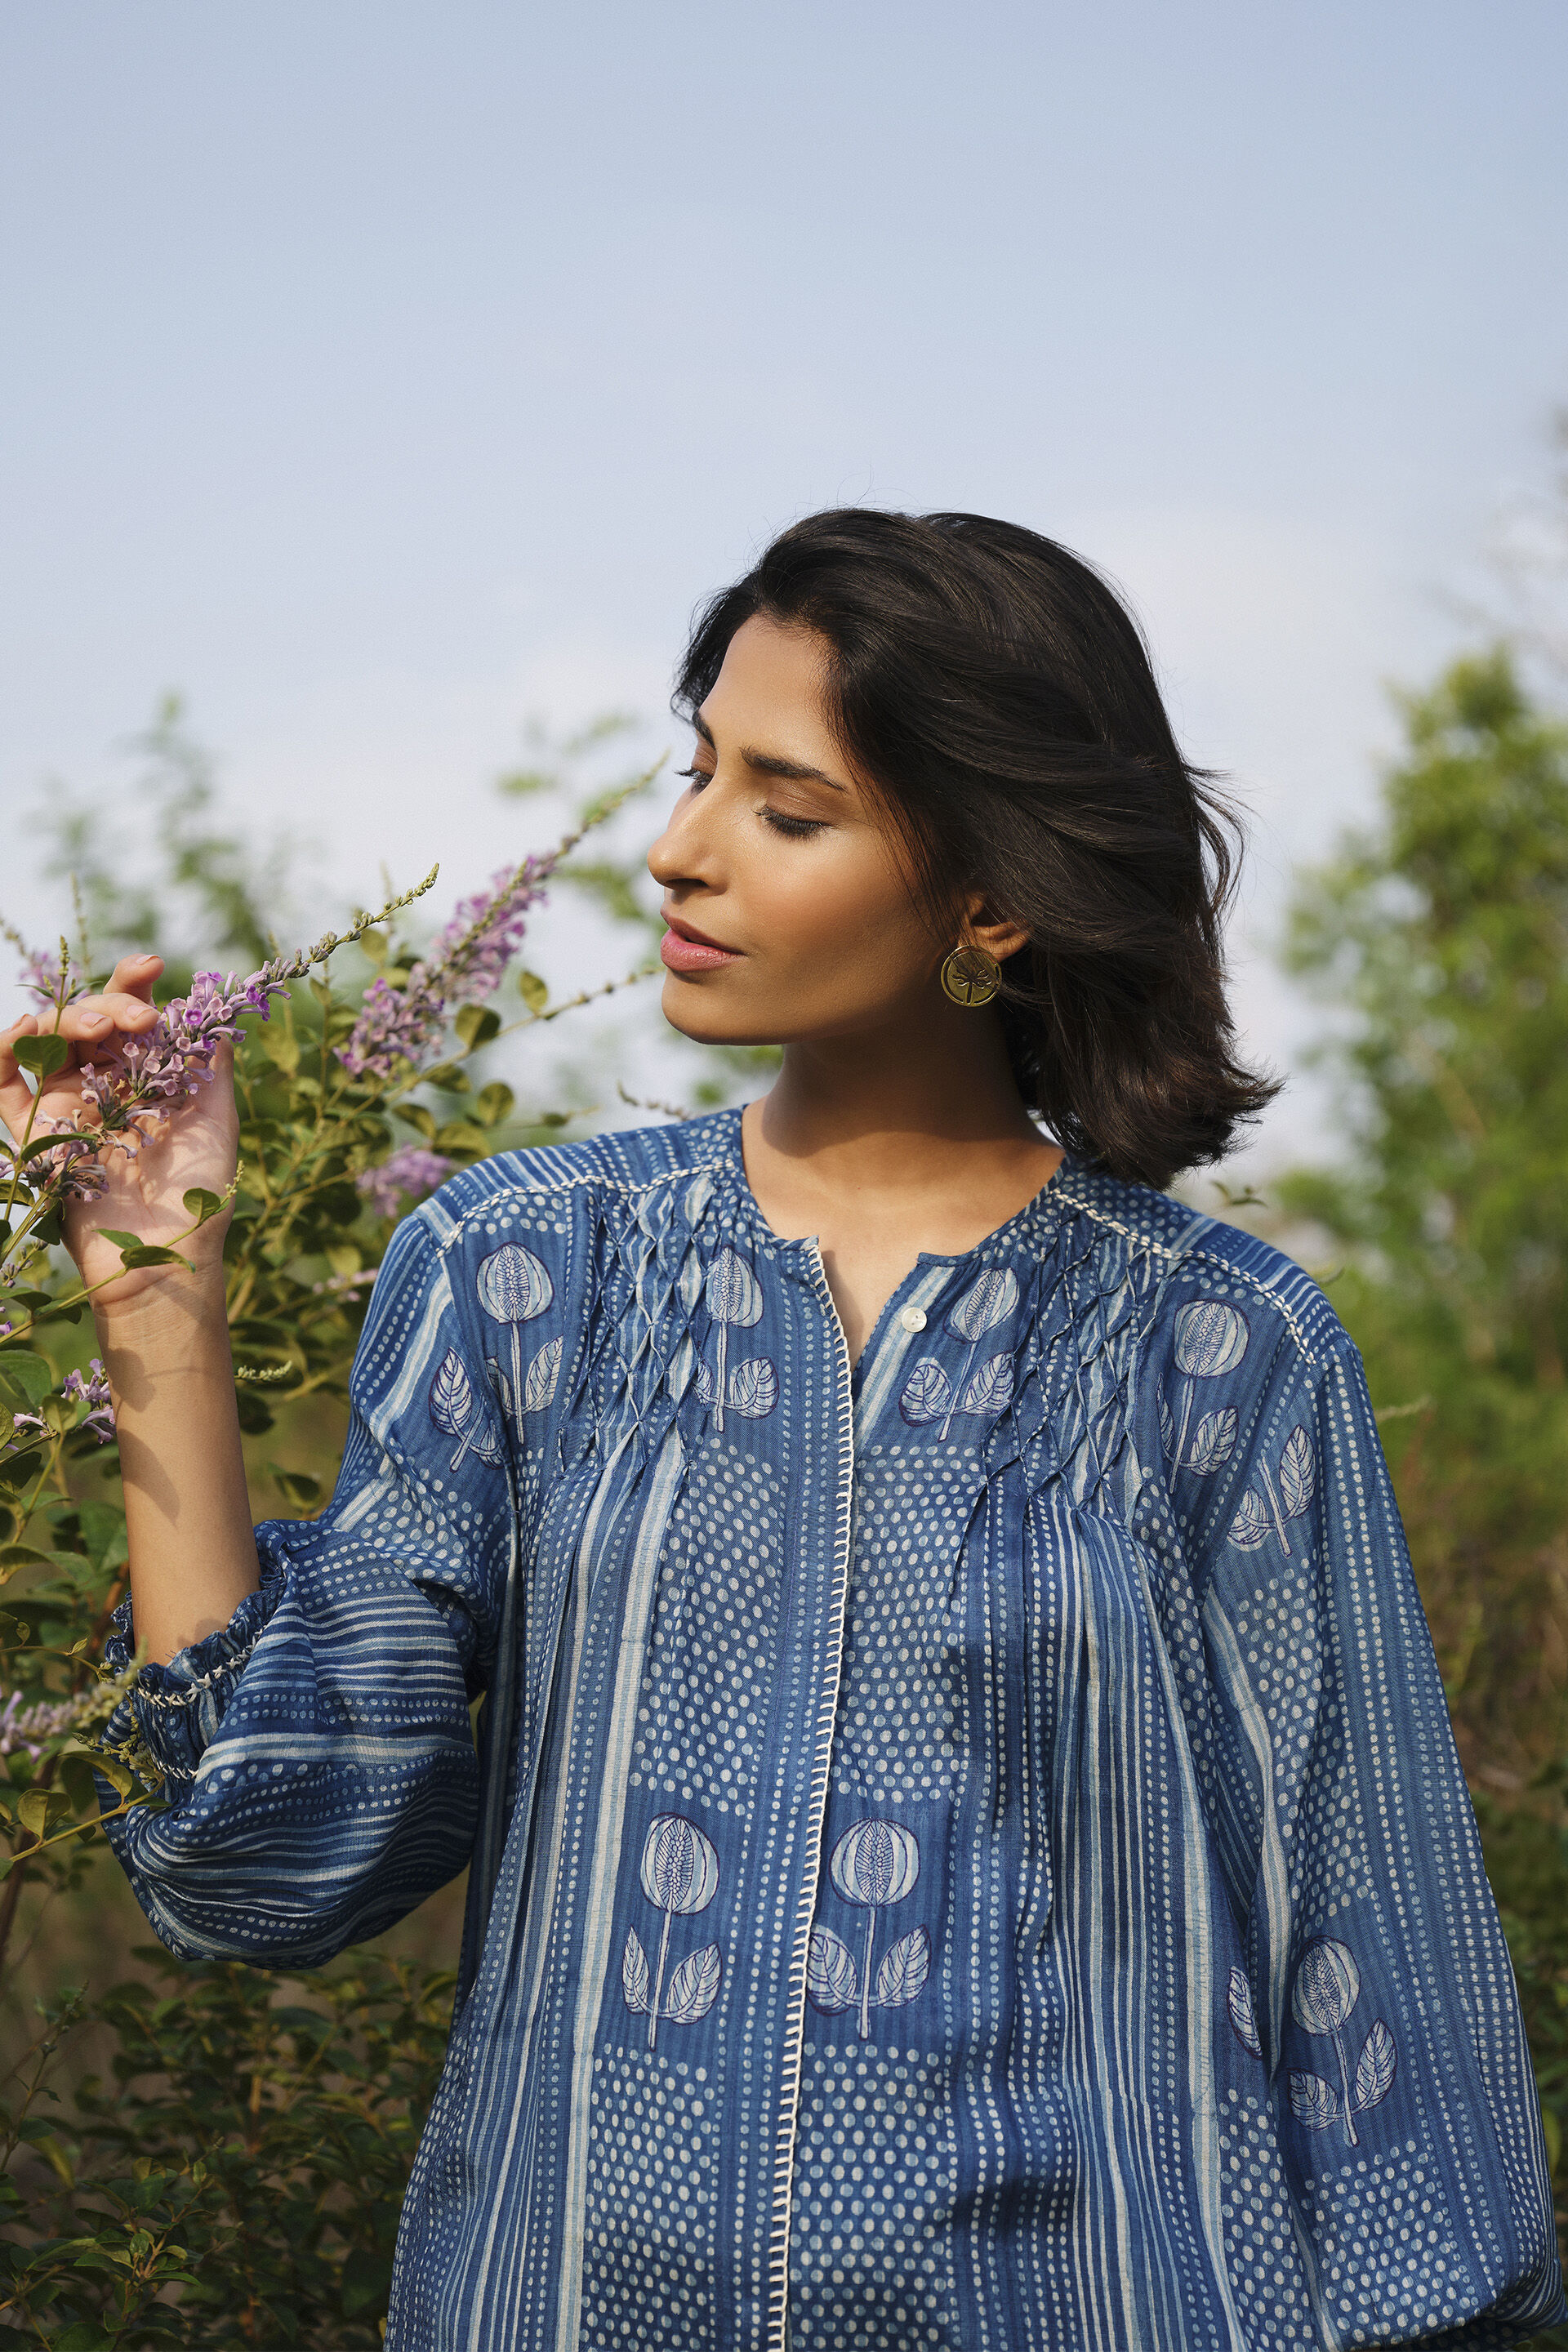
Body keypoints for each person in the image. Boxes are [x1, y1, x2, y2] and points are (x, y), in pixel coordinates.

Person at [4, 510, 1560, 2351]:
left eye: (786, 808)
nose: (676, 851)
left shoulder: (1223, 1350)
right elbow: (268, 1856)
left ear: (991, 897)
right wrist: (157, 1297)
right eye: (696, 771)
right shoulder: (525, 1269)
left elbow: (1367, 1958)